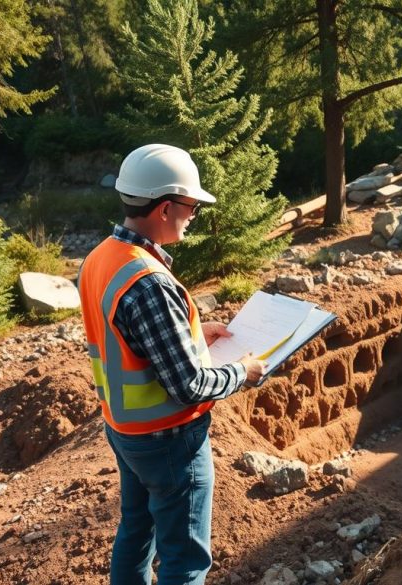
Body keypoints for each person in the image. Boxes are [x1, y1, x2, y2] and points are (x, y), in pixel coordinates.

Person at [78, 144, 266, 584]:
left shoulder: (101, 257)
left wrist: (197, 333)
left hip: (125, 429)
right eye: (192, 206)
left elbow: (128, 338)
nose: (194, 214)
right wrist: (244, 373)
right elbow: (190, 384)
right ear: (165, 208)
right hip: (170, 440)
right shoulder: (149, 282)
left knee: (136, 532)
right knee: (184, 561)